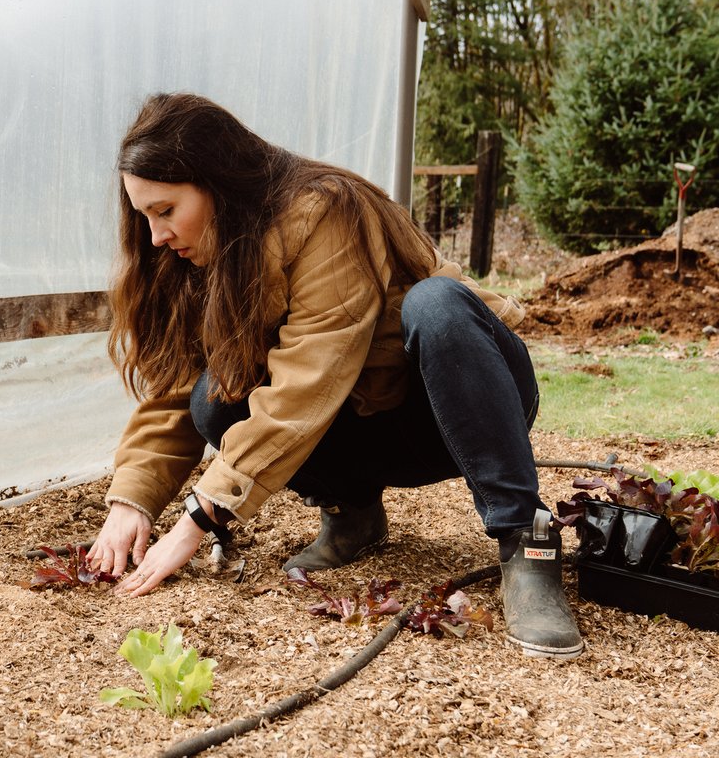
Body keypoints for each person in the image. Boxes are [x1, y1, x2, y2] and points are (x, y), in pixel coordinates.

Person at [85, 92, 583, 660]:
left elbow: (306, 381)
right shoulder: (207, 255)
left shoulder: (324, 211)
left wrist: (196, 520)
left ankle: (525, 540)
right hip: (367, 424)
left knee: (437, 304)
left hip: (459, 406)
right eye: (145, 215)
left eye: (166, 211)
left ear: (217, 184)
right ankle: (353, 516)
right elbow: (177, 387)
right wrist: (133, 500)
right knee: (211, 400)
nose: (156, 237)